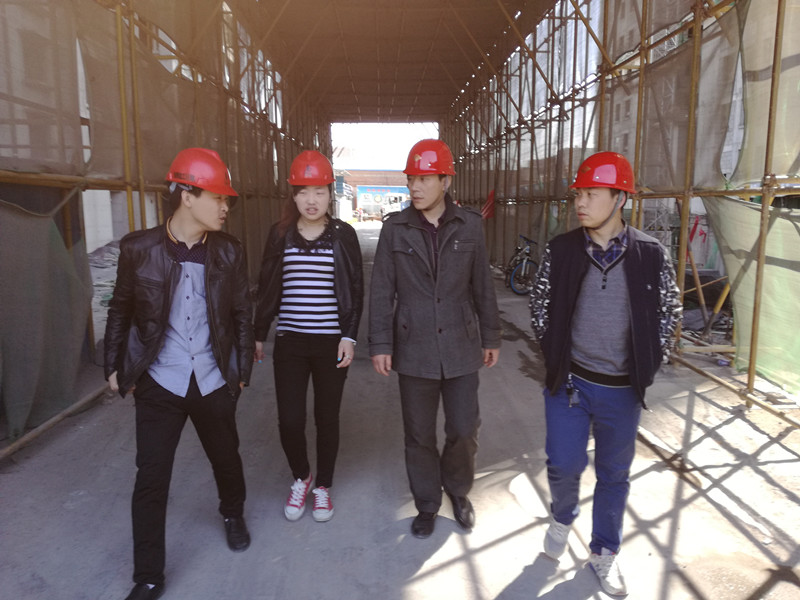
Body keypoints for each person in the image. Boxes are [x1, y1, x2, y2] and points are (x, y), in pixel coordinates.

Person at [529, 151, 682, 596]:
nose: (580, 202)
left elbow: (669, 311)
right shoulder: (562, 250)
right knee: (563, 464)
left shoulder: (649, 254)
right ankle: (562, 518)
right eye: (578, 193)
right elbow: (539, 305)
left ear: (620, 198)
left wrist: (648, 364)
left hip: (621, 392)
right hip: (570, 385)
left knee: (614, 476)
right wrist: (556, 355)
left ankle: (604, 552)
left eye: (591, 193)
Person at [104, 148, 254, 600]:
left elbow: (242, 314)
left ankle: (232, 512)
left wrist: (240, 372)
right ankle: (148, 575)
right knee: (151, 478)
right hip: (160, 380)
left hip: (212, 376)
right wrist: (113, 365)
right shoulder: (139, 249)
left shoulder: (229, 251)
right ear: (187, 196)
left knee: (226, 458)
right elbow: (121, 309)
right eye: (218, 197)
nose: (225, 207)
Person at [369, 139, 501, 539]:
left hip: (461, 343)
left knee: (464, 427)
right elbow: (382, 290)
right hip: (414, 346)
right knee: (419, 433)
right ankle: (427, 502)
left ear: (445, 181)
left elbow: (482, 286)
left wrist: (491, 335)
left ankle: (458, 491)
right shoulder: (395, 228)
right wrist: (381, 343)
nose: (415, 186)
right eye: (411, 178)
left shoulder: (469, 225)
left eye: (424, 179)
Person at [254, 150, 363, 523]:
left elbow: (355, 290)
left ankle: (323, 487)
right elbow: (267, 285)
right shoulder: (279, 234)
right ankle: (302, 477)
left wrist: (349, 336)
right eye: (303, 192)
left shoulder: (344, 235)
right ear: (293, 195)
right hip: (291, 343)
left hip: (331, 343)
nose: (311, 200)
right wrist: (258, 332)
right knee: (289, 419)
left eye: (319, 191)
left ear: (330, 193)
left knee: (327, 417)